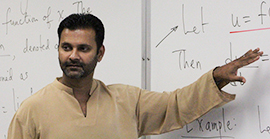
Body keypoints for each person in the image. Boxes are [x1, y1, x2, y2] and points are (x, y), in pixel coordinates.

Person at [7, 13, 263, 139]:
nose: (73, 55)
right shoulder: (32, 110)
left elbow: (175, 105)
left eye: (83, 48)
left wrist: (217, 77)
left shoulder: (127, 101)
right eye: (66, 47)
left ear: (100, 53)